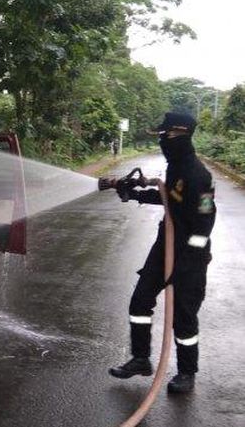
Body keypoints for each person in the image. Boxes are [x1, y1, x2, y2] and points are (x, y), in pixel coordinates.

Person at [109, 112, 216, 394]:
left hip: (190, 257)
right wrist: (134, 193)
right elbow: (169, 198)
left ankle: (187, 373)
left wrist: (188, 262)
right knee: (140, 301)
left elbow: (205, 222)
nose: (161, 142)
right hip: (164, 246)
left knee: (183, 317)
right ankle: (141, 358)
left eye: (163, 136)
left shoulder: (198, 175)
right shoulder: (176, 168)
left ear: (179, 135)